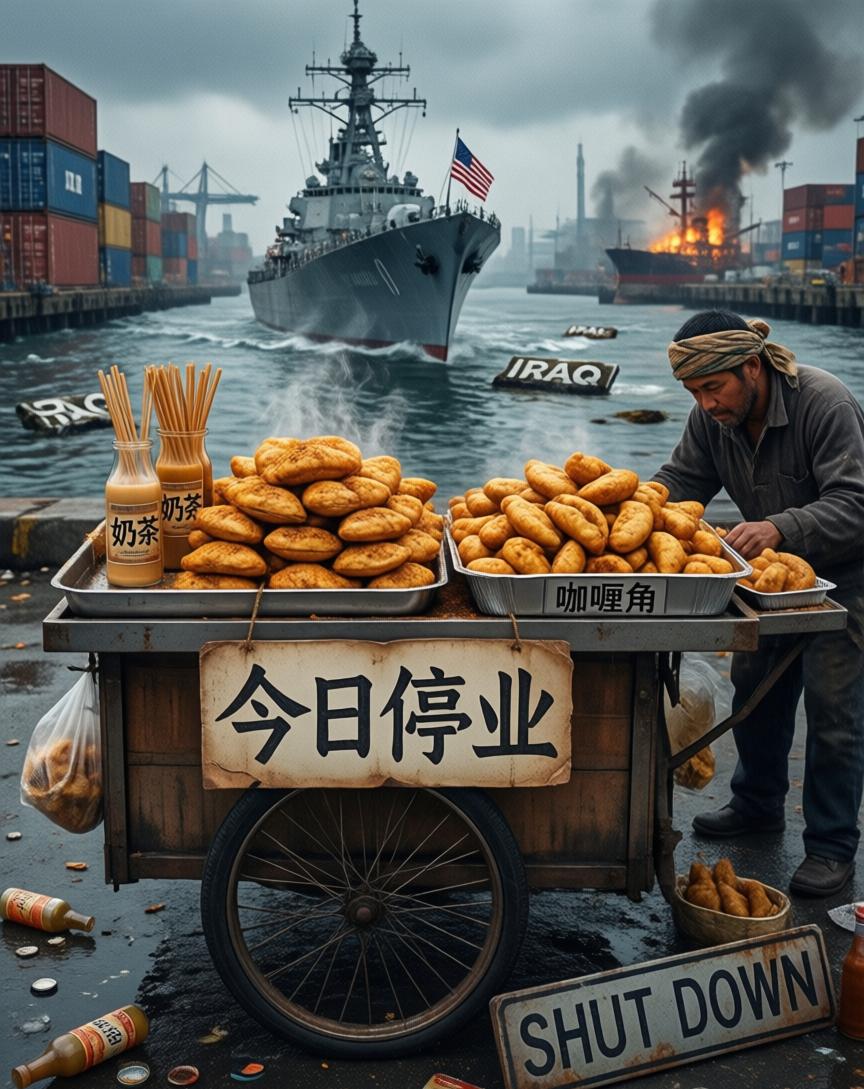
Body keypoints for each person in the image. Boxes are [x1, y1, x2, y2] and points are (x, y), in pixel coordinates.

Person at [653, 309, 864, 897]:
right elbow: (682, 481)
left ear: (751, 366)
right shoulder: (712, 419)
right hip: (770, 580)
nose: (706, 404)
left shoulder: (826, 404)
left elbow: (856, 504)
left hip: (847, 579)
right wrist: (633, 509)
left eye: (713, 388)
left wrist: (778, 527)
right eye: (694, 392)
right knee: (754, 687)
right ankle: (756, 805)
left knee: (835, 712)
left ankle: (830, 847)